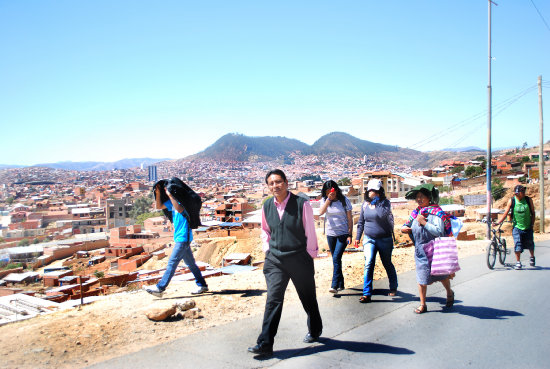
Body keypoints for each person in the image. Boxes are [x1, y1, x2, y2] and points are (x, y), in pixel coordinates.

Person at [248, 169, 323, 356]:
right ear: (268, 186)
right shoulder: (267, 206)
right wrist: (267, 249)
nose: (275, 186)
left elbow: (310, 232)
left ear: (286, 183)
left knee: (308, 298)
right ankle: (265, 343)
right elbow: (265, 230)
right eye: (271, 183)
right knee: (273, 299)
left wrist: (310, 256)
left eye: (279, 182)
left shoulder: (301, 204)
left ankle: (315, 330)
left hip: (299, 258)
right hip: (275, 261)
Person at [143, 179, 208, 297]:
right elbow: (159, 206)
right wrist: (158, 192)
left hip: (184, 237)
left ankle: (160, 288)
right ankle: (202, 285)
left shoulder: (182, 203)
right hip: (180, 237)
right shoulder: (171, 204)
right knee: (191, 264)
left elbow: (180, 209)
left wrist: (170, 194)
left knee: (172, 262)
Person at [401, 184, 454, 314]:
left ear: (429, 198)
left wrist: (424, 223)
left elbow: (439, 231)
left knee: (442, 276)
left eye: (421, 197)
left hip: (436, 250)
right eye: (417, 197)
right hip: (420, 251)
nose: (419, 199)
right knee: (421, 278)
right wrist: (403, 228)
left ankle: (449, 292)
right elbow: (407, 225)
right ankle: (423, 304)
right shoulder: (415, 213)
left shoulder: (437, 213)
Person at [354, 179, 398, 303]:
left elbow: (381, 215)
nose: (370, 192)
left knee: (387, 263)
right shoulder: (364, 205)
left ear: (379, 192)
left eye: (374, 190)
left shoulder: (385, 203)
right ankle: (367, 293)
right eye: (369, 190)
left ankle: (393, 286)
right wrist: (358, 237)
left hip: (385, 239)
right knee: (369, 263)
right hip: (369, 238)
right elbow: (361, 222)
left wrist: (376, 202)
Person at [319, 180, 353, 294]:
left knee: (336, 258)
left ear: (336, 190)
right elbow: (320, 212)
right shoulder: (324, 200)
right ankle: (341, 284)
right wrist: (328, 199)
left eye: (332, 191)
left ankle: (334, 285)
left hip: (342, 233)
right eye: (328, 192)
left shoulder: (344, 201)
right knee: (336, 259)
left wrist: (350, 234)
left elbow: (349, 218)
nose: (330, 193)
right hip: (331, 234)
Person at [495, 184, 536, 270]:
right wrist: (498, 222)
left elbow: (533, 213)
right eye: (522, 191)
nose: (524, 193)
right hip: (517, 227)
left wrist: (532, 224)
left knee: (530, 244)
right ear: (517, 193)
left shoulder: (528, 200)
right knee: (517, 244)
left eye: (524, 191)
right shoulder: (512, 201)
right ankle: (518, 262)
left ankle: (532, 256)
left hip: (528, 226)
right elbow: (506, 212)